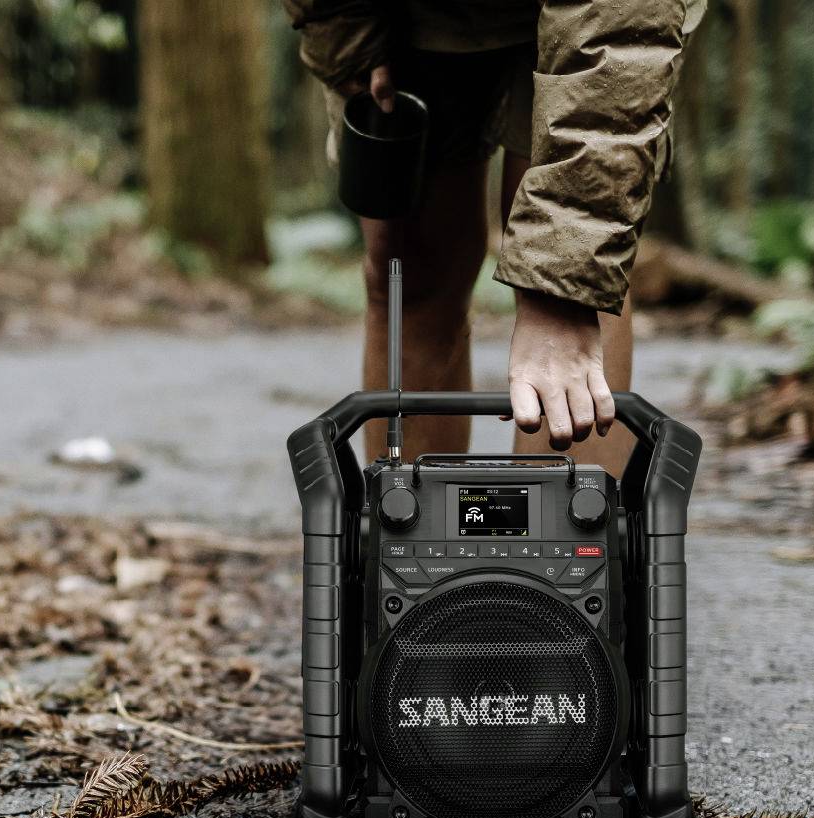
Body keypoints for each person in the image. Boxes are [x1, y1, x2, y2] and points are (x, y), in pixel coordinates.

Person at [283, 0, 706, 473]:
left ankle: (560, 542)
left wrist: (565, 289)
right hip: (412, 15)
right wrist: (346, 33)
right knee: (408, 264)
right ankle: (411, 539)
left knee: (577, 282)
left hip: (603, 16)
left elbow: (619, 27)